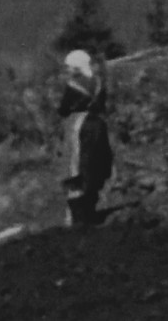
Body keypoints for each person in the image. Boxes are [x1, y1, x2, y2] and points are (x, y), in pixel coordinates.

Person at [59, 49, 112, 227]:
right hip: (98, 125)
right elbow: (103, 103)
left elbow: (63, 108)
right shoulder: (98, 82)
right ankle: (91, 208)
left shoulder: (73, 85)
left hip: (79, 126)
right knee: (95, 165)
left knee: (75, 168)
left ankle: (77, 216)